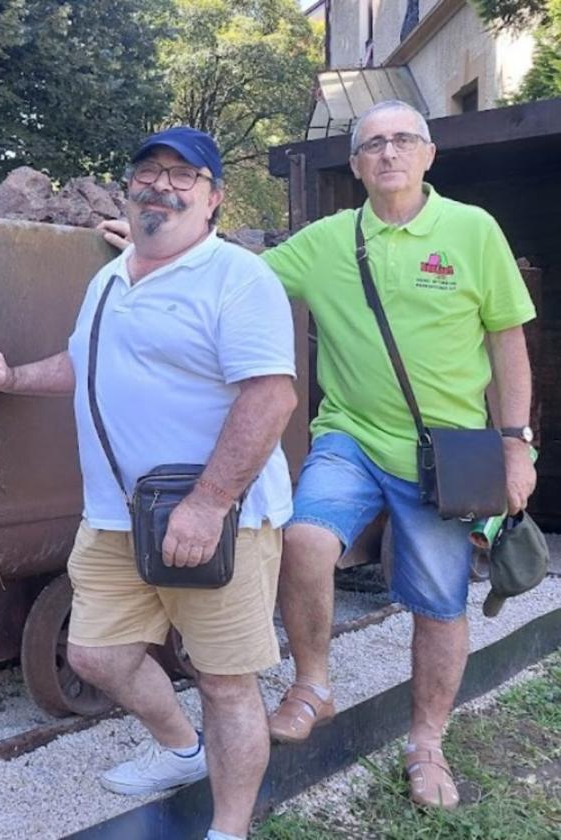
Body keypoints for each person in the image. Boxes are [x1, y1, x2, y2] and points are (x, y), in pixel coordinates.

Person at [0, 127, 297, 840]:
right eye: (148, 173)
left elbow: (270, 399)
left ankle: (229, 830)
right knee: (96, 655)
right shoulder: (110, 278)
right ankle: (183, 751)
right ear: (128, 190)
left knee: (225, 682)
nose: (162, 186)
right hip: (117, 518)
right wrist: (14, 377)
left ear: (214, 198)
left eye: (184, 175)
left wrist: (207, 505)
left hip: (219, 523)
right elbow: (83, 363)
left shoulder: (239, 278)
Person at [259, 100, 536, 809]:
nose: (388, 152)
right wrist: (155, 250)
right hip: (349, 437)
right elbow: (243, 277)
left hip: (450, 453)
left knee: (439, 604)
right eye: (373, 143)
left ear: (428, 154)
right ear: (355, 166)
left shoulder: (473, 232)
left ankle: (427, 744)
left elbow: (508, 342)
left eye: (403, 140)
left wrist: (516, 445)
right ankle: (313, 685)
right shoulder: (325, 242)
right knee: (305, 540)